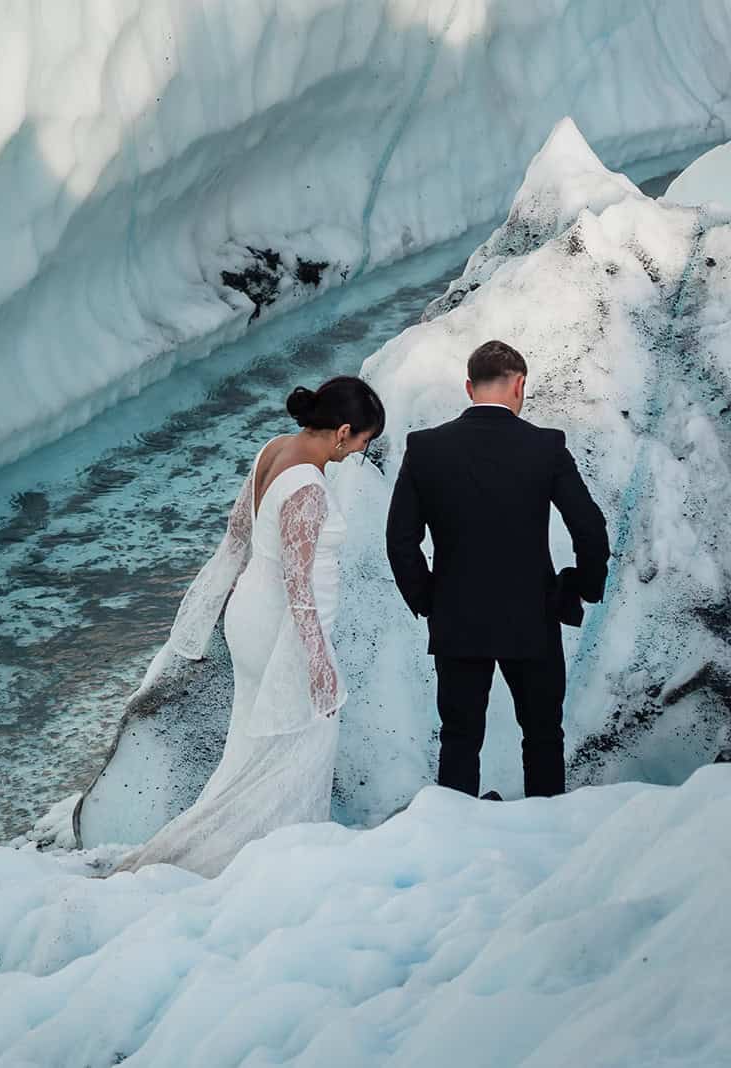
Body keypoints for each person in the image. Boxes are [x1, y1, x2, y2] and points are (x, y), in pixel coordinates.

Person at [114, 376, 383, 877]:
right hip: (281, 628)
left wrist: (226, 598)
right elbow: (299, 585)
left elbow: (239, 532)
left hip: (253, 614)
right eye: (364, 442)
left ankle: (223, 847)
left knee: (252, 748)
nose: (358, 453)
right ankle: (272, 857)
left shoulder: (273, 449)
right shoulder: (308, 485)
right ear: (343, 431)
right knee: (305, 742)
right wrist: (320, 663)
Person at [386, 340, 610, 799]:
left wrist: (429, 599)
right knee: (543, 735)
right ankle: (546, 840)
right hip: (533, 616)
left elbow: (400, 541)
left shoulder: (425, 448)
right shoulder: (546, 446)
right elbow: (589, 526)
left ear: (469, 387)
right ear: (520, 384)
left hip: (457, 618)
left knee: (460, 738)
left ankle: (457, 841)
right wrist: (585, 586)